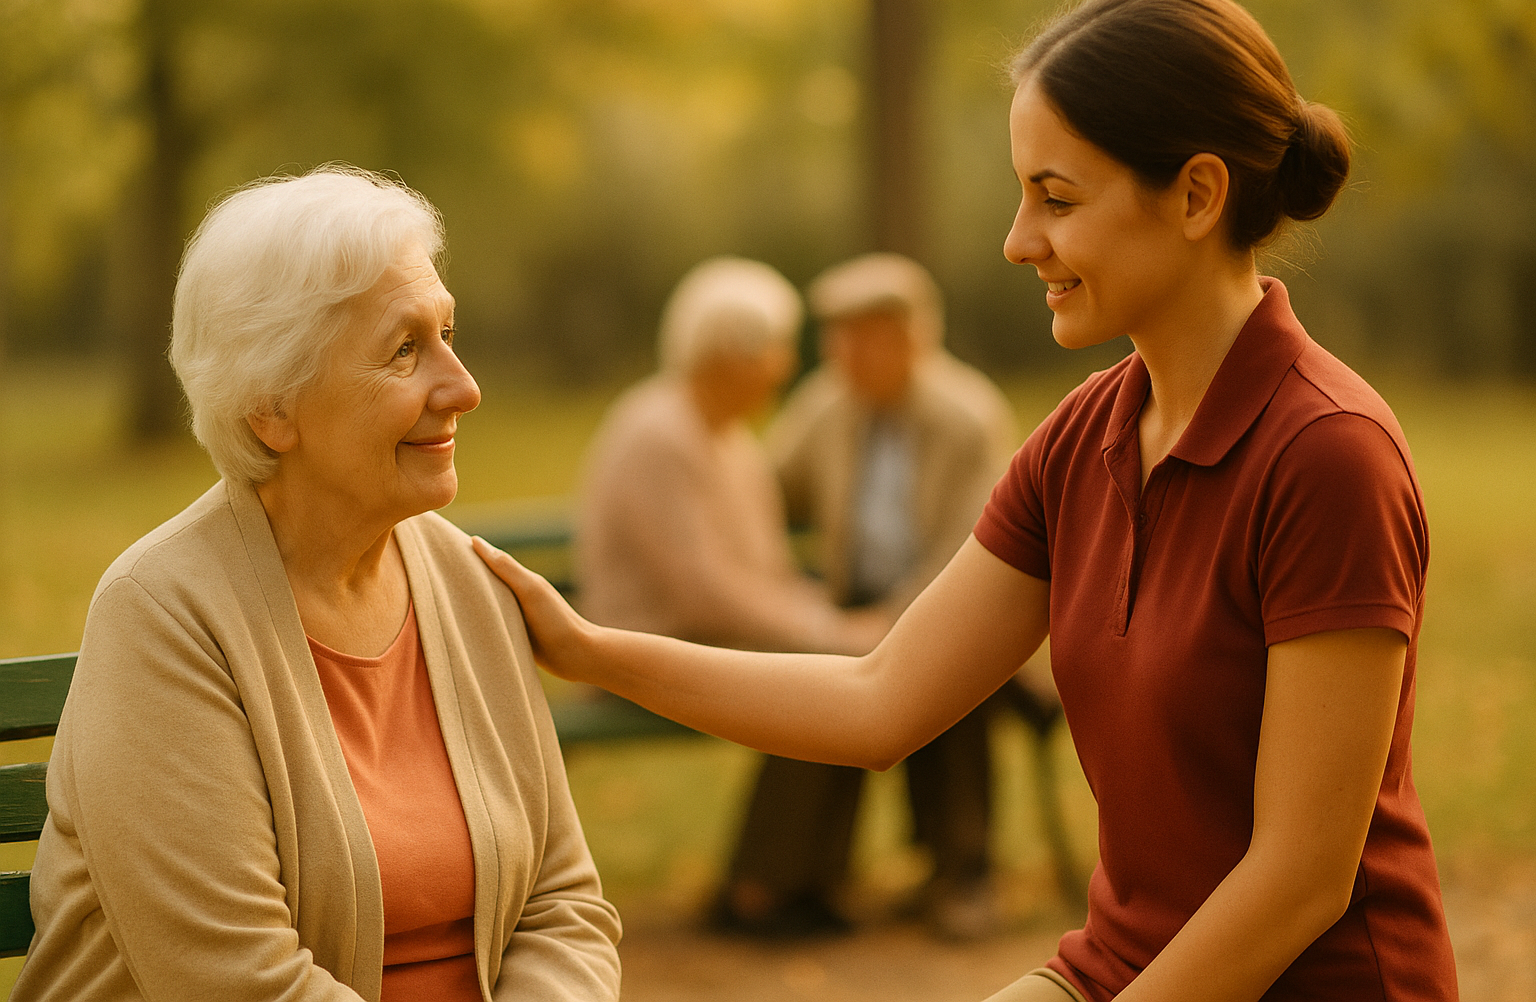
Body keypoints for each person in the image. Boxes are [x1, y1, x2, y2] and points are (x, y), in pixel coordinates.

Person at [476, 0, 1462, 997]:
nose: (1018, 238)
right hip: (1119, 969)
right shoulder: (1082, 442)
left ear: (1198, 195)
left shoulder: (1328, 456)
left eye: (1057, 197)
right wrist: (589, 650)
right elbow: (878, 699)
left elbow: (1300, 880)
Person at [14, 167, 622, 1002]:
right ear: (272, 405)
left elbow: (563, 904)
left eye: (449, 333)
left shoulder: (466, 581)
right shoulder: (163, 617)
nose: (464, 387)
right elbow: (237, 982)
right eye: (406, 349)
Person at [717, 252, 1024, 940]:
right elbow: (770, 487)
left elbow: (971, 548)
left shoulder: (967, 416)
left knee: (955, 675)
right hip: (855, 600)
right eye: (835, 336)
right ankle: (788, 875)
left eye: (862, 336)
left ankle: (964, 871)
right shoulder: (827, 403)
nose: (842, 354)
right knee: (810, 675)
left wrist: (895, 623)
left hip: (959, 600)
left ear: (912, 337)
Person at [576, 257, 883, 937]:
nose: (782, 367)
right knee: (816, 682)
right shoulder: (658, 434)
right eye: (771, 349)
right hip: (644, 648)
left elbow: (764, 575)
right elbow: (703, 593)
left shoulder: (734, 443)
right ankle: (756, 891)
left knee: (847, 679)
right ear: (725, 354)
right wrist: (829, 631)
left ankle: (804, 879)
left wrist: (829, 625)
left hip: (708, 638)